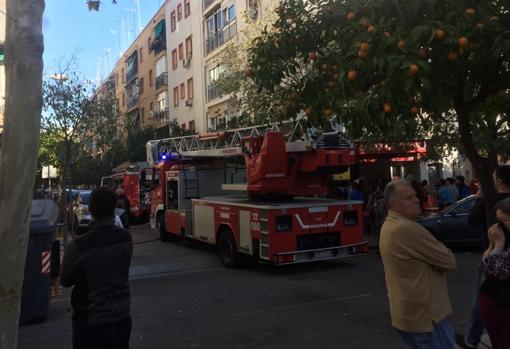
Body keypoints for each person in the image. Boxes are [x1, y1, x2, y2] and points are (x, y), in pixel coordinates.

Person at [379, 180, 457, 348]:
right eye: (409, 198)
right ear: (393, 204)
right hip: (428, 320)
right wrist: (435, 262)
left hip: (408, 317)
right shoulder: (407, 228)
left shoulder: (388, 225)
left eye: (415, 195)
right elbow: (449, 261)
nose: (416, 199)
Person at [61, 187, 133, 349]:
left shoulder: (79, 245)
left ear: (91, 210)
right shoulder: (125, 238)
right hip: (121, 317)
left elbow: (65, 279)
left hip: (90, 322)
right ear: (114, 208)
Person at [457, 165, 510, 349]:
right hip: (496, 254)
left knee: (483, 297)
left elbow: (471, 220)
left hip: (494, 254)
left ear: (499, 180)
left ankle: (472, 340)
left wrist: (480, 198)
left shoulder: (490, 199)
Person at [478, 197, 510, 349]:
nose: (498, 227)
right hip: (495, 305)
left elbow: (496, 270)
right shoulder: (504, 237)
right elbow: (486, 261)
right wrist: (493, 245)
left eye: (503, 220)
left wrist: (497, 245)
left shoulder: (503, 241)